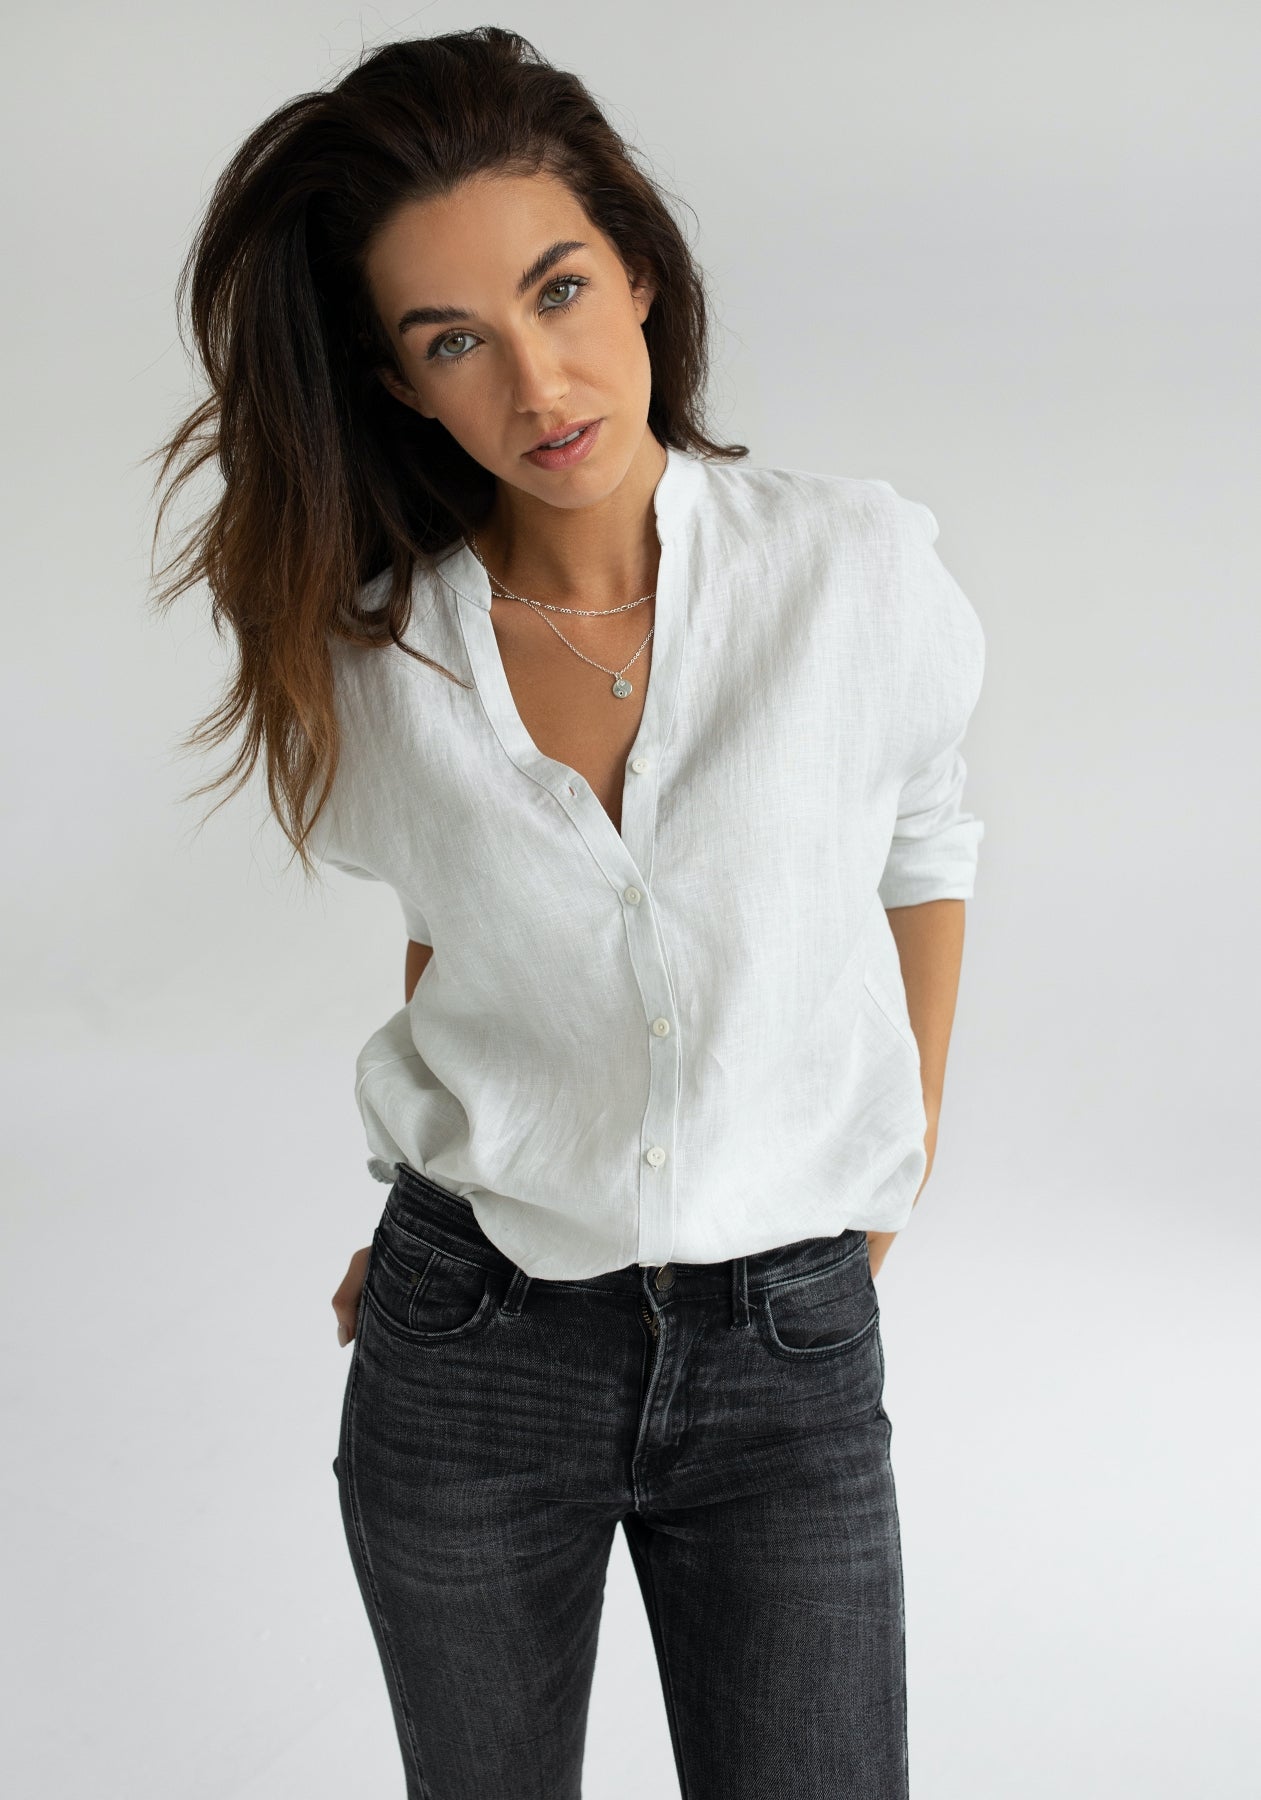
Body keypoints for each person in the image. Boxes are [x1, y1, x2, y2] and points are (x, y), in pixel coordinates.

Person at [149, 26, 985, 1800]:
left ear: (640, 273)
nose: (539, 380)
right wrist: (466, 1196)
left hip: (788, 1348)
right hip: (472, 1352)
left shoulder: (854, 573)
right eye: (455, 338)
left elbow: (922, 845)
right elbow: (459, 933)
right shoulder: (374, 666)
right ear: (402, 387)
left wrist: (883, 1186)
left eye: (559, 289)